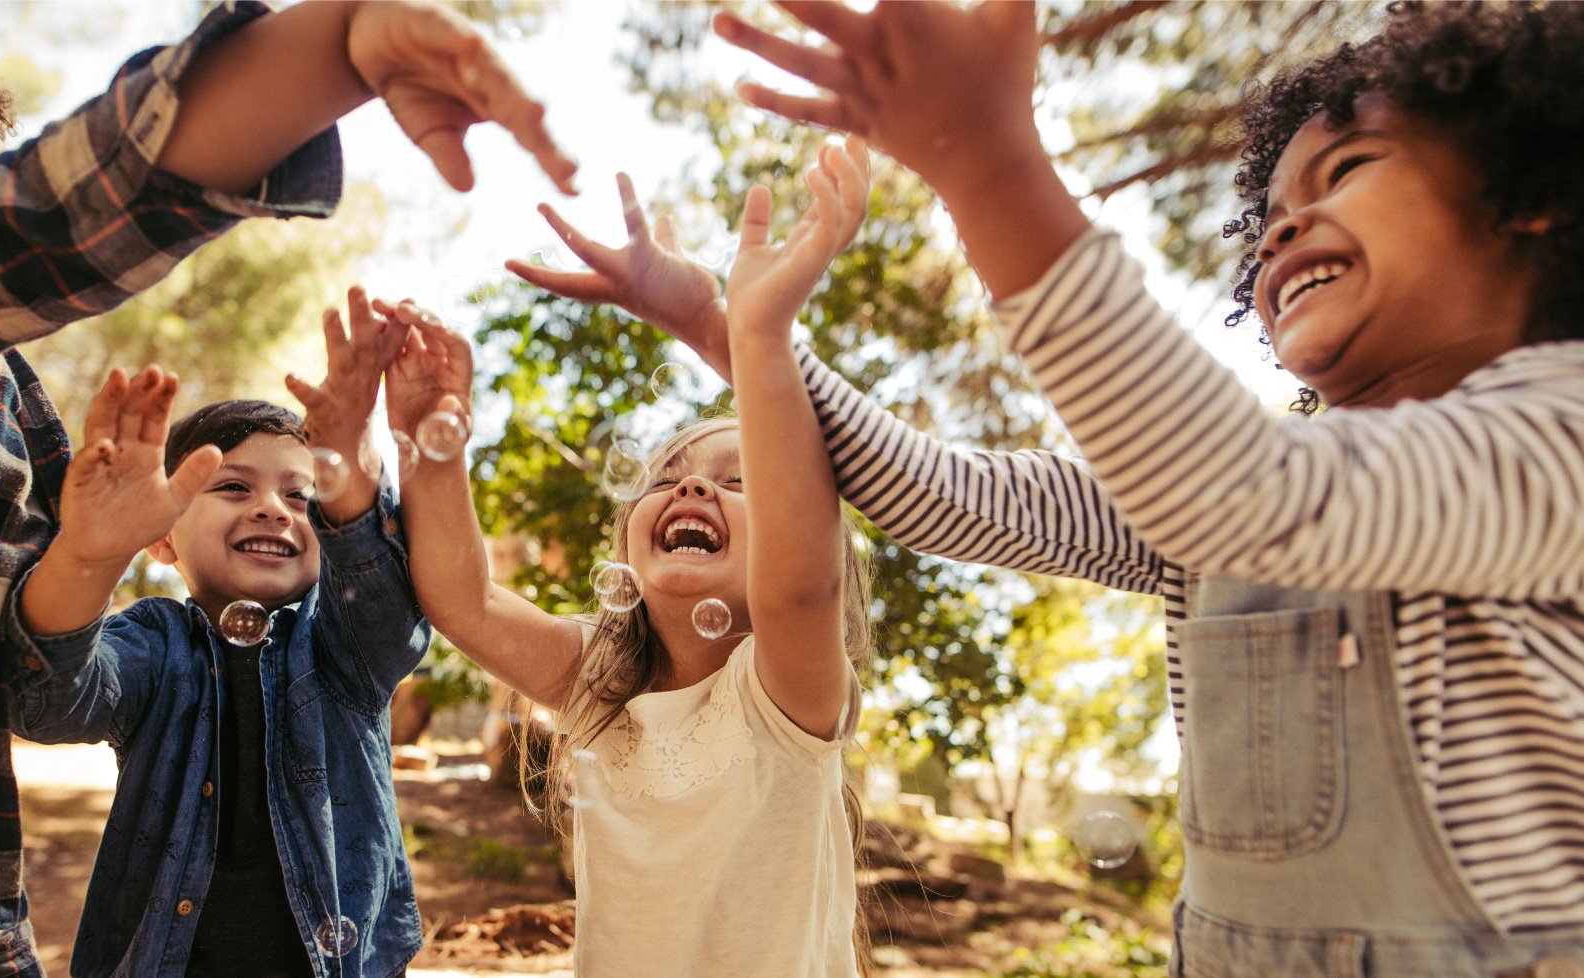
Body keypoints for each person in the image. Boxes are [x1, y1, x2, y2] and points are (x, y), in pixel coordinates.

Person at [522, 1, 1584, 975]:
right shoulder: (1208, 491)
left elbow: (1253, 492)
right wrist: (728, 325)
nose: (1281, 226)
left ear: (1528, 191)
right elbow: (938, 492)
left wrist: (986, 163)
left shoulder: (1559, 434)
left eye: (1344, 169)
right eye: (1268, 208)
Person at [0, 3, 574, 975]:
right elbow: (10, 232)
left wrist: (93, 551)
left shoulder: (15, 418)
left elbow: (23, 645)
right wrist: (320, 54)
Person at [390, 138, 875, 977]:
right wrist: (431, 444)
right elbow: (464, 603)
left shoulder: (787, 687)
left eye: (740, 480)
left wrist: (739, 328)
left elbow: (802, 585)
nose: (692, 492)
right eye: (668, 478)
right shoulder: (600, 681)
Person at [6, 287, 427, 978]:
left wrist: (347, 466)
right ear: (161, 539)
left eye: (301, 495)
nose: (272, 509)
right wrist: (90, 557)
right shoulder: (151, 643)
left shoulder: (342, 646)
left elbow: (391, 614)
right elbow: (51, 700)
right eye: (233, 487)